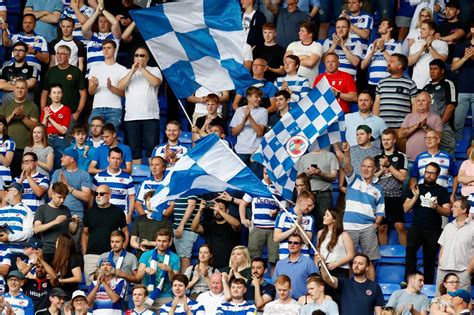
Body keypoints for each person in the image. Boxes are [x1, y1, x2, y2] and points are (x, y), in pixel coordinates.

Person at [339, 142, 384, 280]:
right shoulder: (354, 179)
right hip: (349, 227)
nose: (365, 169)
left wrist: (375, 225)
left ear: (374, 169)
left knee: (369, 262)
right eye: (363, 166)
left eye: (369, 166)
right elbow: (347, 166)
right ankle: (352, 290)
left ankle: (371, 292)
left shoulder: (378, 188)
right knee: (350, 262)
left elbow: (380, 212)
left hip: (368, 228)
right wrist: (346, 152)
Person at [403, 162, 451, 284]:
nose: (429, 175)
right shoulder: (416, 188)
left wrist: (436, 207)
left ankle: (428, 285)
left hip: (433, 229)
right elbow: (405, 208)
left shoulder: (442, 191)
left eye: (432, 173)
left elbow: (447, 212)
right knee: (410, 251)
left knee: (429, 258)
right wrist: (415, 197)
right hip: (417, 227)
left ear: (438, 175)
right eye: (427, 172)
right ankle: (409, 282)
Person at [117, 46, 162, 164]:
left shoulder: (154, 69)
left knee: (152, 151)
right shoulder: (127, 72)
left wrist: (142, 69)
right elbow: (120, 86)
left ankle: (154, 177)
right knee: (134, 151)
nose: (139, 58)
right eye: (136, 55)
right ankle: (137, 177)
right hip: (131, 117)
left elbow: (155, 82)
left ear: (147, 58)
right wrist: (132, 71)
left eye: (142, 55)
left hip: (150, 117)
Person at [82, 184, 128, 285]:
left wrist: (121, 251)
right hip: (91, 255)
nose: (98, 196)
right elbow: (85, 234)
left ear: (109, 195)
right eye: (96, 194)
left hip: (110, 255)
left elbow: (125, 232)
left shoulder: (118, 212)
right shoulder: (89, 212)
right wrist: (85, 253)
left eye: (101, 194)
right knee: (91, 287)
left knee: (111, 286)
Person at [239, 167, 282, 268]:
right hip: (257, 228)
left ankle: (274, 283)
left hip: (274, 230)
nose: (267, 176)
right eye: (265, 173)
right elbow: (243, 203)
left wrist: (277, 212)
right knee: (253, 259)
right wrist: (242, 219)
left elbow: (284, 209)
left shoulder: (279, 189)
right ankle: (252, 283)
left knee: (274, 261)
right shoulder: (255, 186)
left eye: (269, 174)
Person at [317, 253, 384, 315]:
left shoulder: (374, 286)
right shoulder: (344, 283)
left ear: (367, 267)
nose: (356, 266)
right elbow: (327, 278)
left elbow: (378, 312)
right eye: (354, 263)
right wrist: (323, 264)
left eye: (360, 263)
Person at [374, 128, 408, 245]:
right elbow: (371, 179)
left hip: (395, 196)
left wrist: (389, 165)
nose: (386, 142)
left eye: (388, 139)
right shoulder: (376, 157)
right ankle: (383, 259)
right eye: (383, 140)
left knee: (400, 226)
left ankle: (405, 256)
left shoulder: (401, 156)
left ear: (394, 140)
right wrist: (381, 171)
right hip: (380, 197)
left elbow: (402, 178)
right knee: (382, 227)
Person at [0, 80, 39, 179]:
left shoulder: (32, 106)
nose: (20, 90)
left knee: (22, 177)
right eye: (17, 88)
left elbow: (34, 127)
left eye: (23, 88)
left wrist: (22, 117)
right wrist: (12, 115)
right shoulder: (5, 106)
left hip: (23, 148)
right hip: (6, 148)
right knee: (6, 176)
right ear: (13, 89)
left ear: (26, 90)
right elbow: (1, 124)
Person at [136, 229, 180, 311]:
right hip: (146, 296)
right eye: (159, 241)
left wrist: (170, 271)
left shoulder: (175, 258)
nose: (161, 244)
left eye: (164, 241)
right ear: (155, 241)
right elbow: (137, 278)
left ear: (169, 242)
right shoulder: (146, 255)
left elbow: (176, 283)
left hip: (165, 297)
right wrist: (145, 270)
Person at [87, 39, 127, 130]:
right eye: (104, 48)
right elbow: (90, 92)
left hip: (114, 109)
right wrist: (95, 85)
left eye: (109, 48)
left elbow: (124, 93)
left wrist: (111, 87)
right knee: (93, 136)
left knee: (111, 138)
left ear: (115, 50)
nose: (106, 50)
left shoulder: (122, 69)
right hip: (97, 107)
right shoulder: (95, 68)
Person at [409, 130, 458, 203]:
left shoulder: (447, 157)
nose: (428, 140)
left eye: (431, 138)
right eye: (426, 138)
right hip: (422, 196)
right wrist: (413, 195)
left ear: (438, 140)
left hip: (441, 196)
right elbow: (414, 178)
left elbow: (456, 176)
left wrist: (453, 194)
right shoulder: (419, 158)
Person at [40, 45, 87, 122]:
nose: (59, 56)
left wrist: (77, 113)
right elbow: (44, 93)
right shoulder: (50, 71)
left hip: (70, 114)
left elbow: (83, 94)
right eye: (57, 54)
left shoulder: (76, 72)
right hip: (51, 115)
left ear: (68, 56)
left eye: (62, 54)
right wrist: (43, 111)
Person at [191, 199, 241, 269]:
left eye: (221, 208)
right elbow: (194, 228)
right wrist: (200, 211)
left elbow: (237, 224)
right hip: (211, 268)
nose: (217, 211)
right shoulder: (209, 224)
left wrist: (219, 211)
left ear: (227, 211)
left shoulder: (231, 224)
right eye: (215, 209)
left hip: (229, 267)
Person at [436, 197, 473, 292]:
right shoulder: (448, 226)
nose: (452, 209)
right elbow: (442, 247)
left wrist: (468, 271)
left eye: (455, 207)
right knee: (439, 303)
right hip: (443, 271)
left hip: (462, 273)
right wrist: (440, 266)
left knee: (461, 303)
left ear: (464, 210)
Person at [373, 53, 418, 129]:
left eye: (392, 61)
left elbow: (415, 105)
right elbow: (377, 104)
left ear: (399, 66)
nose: (388, 63)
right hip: (383, 128)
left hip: (401, 129)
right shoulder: (381, 82)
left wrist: (410, 124)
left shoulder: (410, 83)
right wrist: (375, 123)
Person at [230, 86, 268, 176]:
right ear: (248, 97)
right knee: (240, 180)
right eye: (256, 97)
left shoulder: (263, 111)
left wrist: (249, 117)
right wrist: (244, 120)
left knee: (256, 180)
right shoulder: (239, 110)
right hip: (240, 151)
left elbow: (259, 133)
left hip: (255, 151)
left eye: (260, 97)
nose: (259, 99)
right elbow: (233, 132)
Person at [316, 208, 355, 292]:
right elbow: (318, 252)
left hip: (340, 269)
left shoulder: (344, 235)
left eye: (327, 215)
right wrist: (317, 266)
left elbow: (351, 254)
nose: (324, 217)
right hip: (323, 269)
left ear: (334, 219)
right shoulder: (320, 233)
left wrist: (337, 263)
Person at [423, 59, 457, 155]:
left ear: (442, 71)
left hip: (444, 127)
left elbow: (451, 106)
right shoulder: (426, 88)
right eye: (430, 69)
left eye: (435, 69)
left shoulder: (447, 84)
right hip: (427, 127)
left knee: (446, 156)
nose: (432, 71)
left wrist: (439, 125)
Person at [92, 147, 135, 219]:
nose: (115, 161)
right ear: (108, 158)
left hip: (121, 216)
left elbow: (131, 197)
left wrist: (130, 214)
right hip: (101, 215)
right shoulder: (98, 177)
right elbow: (91, 195)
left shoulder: (128, 178)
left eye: (118, 159)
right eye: (113, 158)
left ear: (121, 161)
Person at [398, 91, 443, 161]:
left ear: (430, 103)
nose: (420, 103)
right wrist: (416, 126)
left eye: (423, 100)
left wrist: (425, 127)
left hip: (429, 159)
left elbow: (439, 137)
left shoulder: (436, 118)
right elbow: (400, 134)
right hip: (410, 159)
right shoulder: (409, 116)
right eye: (418, 101)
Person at [361, 19, 401, 94]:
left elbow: (396, 64)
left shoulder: (396, 45)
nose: (379, 26)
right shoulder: (372, 45)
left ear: (390, 28)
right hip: (372, 84)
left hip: (388, 83)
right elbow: (363, 66)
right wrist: (372, 52)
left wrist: (382, 50)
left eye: (383, 24)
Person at [273, 234, 318, 300]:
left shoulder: (309, 262)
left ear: (301, 245)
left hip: (301, 303)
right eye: (290, 242)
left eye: (295, 243)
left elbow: (316, 283)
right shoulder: (280, 263)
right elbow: (275, 283)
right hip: (282, 303)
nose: (292, 245)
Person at [81, 3, 121, 74]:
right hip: (91, 75)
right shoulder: (92, 36)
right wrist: (97, 12)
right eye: (100, 21)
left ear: (109, 23)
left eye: (105, 21)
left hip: (108, 73)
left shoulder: (114, 36)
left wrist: (102, 10)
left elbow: (115, 23)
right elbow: (84, 29)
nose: (102, 24)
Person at [274, 190, 315, 259]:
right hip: (285, 255)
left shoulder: (310, 218)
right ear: (300, 202)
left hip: (303, 255)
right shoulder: (284, 214)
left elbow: (307, 242)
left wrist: (300, 226)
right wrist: (293, 228)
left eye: (312, 206)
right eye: (309, 205)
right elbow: (276, 238)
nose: (310, 208)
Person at [131, 190, 172, 259]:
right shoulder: (139, 219)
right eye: (148, 200)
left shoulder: (165, 220)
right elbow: (132, 241)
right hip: (141, 255)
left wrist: (150, 243)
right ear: (145, 202)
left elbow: (169, 243)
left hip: (160, 256)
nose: (150, 203)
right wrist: (139, 246)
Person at [408, 21, 448, 90]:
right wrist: (421, 50)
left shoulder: (442, 44)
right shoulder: (415, 45)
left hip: (435, 84)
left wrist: (430, 47)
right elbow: (409, 62)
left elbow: (441, 61)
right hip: (417, 83)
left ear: (432, 31)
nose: (420, 31)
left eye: (423, 29)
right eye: (421, 29)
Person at [40, 84, 72, 170]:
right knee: (47, 166)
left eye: (59, 93)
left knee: (60, 165)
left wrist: (49, 118)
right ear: (50, 95)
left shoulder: (66, 110)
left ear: (62, 94)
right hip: (47, 139)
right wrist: (45, 116)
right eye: (54, 93)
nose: (56, 95)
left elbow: (63, 131)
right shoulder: (45, 110)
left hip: (60, 140)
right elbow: (42, 129)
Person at [452, 22, 474, 141]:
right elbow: (453, 67)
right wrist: (465, 58)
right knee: (458, 124)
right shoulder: (461, 47)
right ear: (472, 29)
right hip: (463, 89)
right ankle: (457, 149)